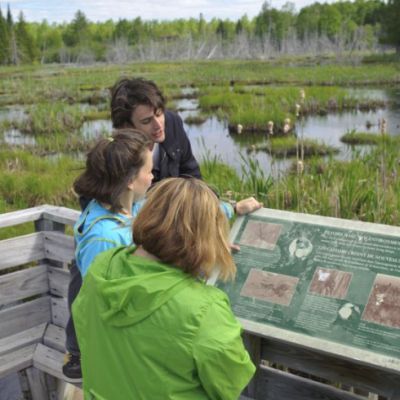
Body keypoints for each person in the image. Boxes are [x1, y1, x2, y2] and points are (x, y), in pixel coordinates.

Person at [72, 177, 256, 399]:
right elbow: (232, 380)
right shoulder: (205, 309)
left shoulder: (102, 268)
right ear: (205, 239)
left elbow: (83, 324)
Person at [63, 129, 153, 382]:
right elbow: (103, 306)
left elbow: (170, 211)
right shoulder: (103, 239)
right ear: (130, 180)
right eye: (148, 171)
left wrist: (227, 210)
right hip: (114, 351)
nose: (152, 176)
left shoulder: (127, 205)